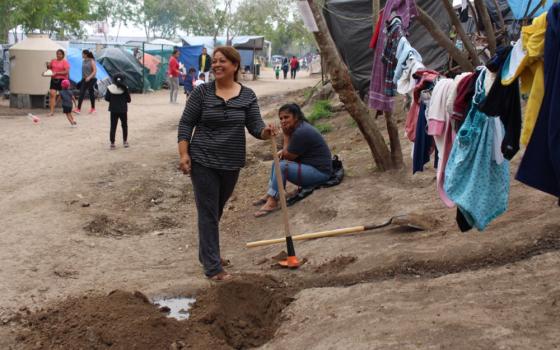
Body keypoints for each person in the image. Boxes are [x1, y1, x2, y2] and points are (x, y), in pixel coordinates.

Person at [178, 46, 275, 281]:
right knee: (208, 212)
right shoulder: (202, 93)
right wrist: (184, 154)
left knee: (215, 209)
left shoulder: (247, 95)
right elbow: (185, 124)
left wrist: (266, 132)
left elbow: (255, 126)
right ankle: (213, 267)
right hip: (203, 159)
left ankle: (207, 253)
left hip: (231, 162)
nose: (217, 65)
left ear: (235, 65)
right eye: (214, 61)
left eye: (222, 61)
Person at [253, 103, 332, 217]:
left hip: (321, 173)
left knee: (282, 166)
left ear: (296, 117)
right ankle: (271, 193)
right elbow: (288, 153)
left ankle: (273, 201)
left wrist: (285, 136)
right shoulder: (299, 127)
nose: (283, 121)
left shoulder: (301, 132)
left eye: (286, 117)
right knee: (278, 161)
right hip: (313, 168)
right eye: (281, 118)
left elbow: (288, 156)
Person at [105, 73, 131, 150]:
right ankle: (125, 141)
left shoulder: (110, 88)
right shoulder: (125, 88)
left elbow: (107, 98)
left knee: (113, 126)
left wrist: (113, 100)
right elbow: (128, 100)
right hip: (123, 110)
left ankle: (112, 143)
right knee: (124, 125)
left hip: (113, 109)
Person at [48, 49, 70, 116]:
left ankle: (67, 109)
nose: (58, 55)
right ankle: (51, 111)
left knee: (64, 95)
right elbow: (50, 68)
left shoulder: (65, 62)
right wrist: (48, 67)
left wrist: (57, 73)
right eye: (57, 53)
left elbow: (66, 72)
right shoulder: (53, 61)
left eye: (60, 54)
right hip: (54, 80)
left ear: (63, 55)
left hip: (62, 80)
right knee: (52, 94)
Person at [74, 50, 97, 114]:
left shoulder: (92, 61)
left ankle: (93, 108)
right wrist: (83, 79)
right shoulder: (83, 61)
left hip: (91, 79)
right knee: (81, 93)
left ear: (86, 54)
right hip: (84, 79)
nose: (82, 55)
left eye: (83, 54)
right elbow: (84, 71)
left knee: (91, 93)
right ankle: (78, 109)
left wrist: (89, 77)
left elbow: (94, 71)